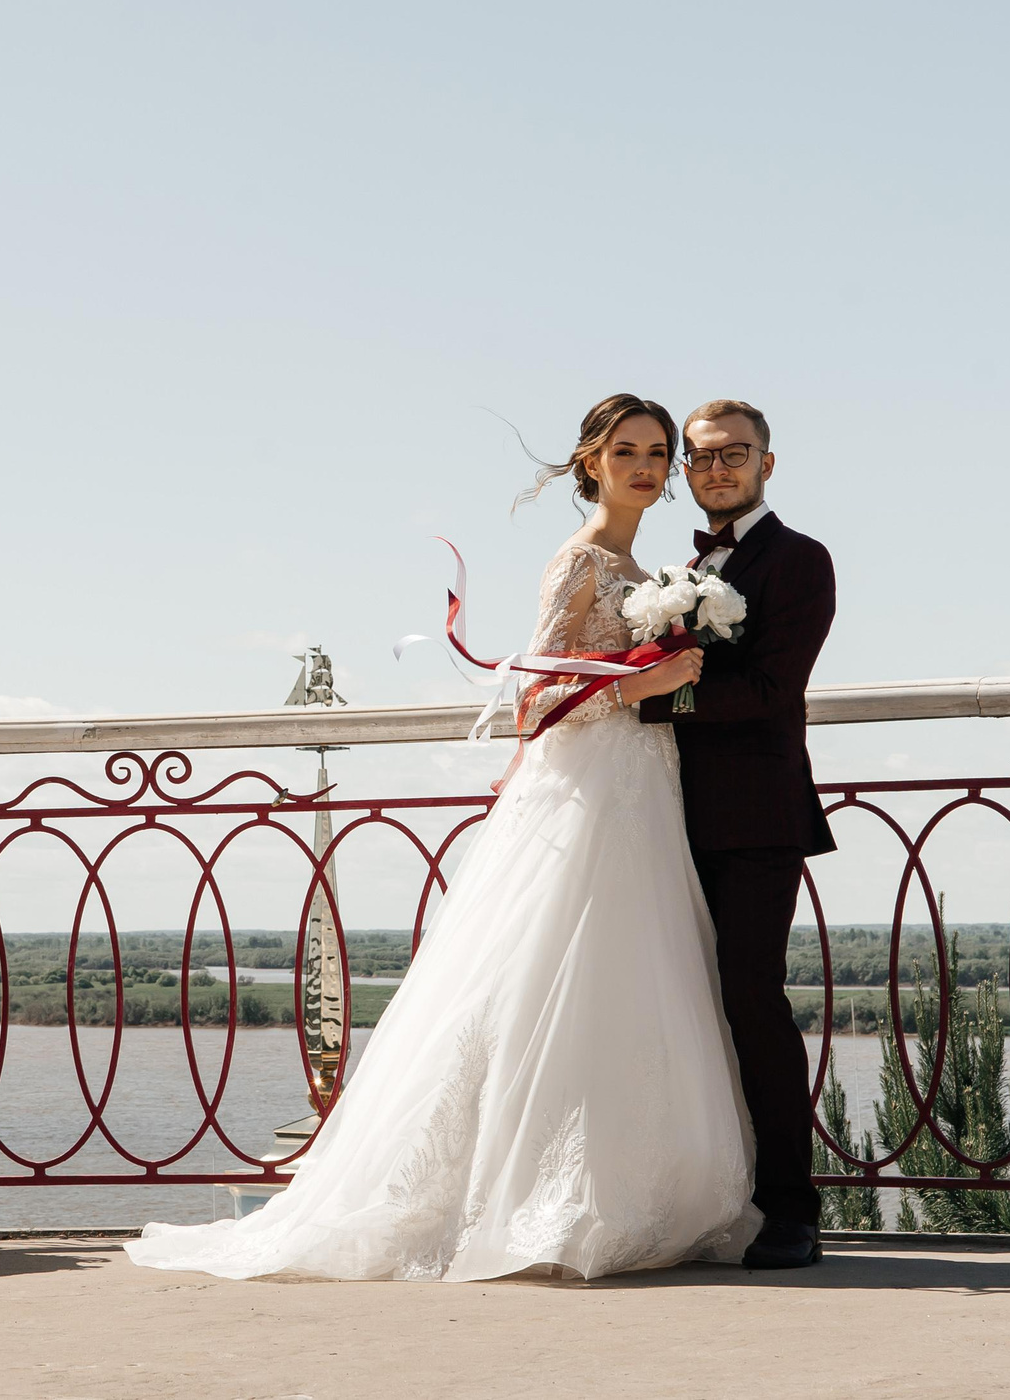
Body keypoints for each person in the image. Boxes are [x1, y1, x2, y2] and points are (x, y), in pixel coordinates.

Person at [124, 394, 760, 1283]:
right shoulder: (579, 563)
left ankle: (634, 1189)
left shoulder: (643, 566)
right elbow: (531, 703)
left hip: (644, 795)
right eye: (628, 451)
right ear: (590, 463)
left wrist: (659, 674)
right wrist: (640, 686)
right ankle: (529, 1196)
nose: (647, 467)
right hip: (585, 801)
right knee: (551, 981)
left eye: (658, 453)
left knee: (629, 982)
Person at [643, 398, 836, 1270]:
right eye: (702, 457)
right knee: (677, 1004)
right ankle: (698, 1193)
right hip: (662, 814)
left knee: (751, 1003)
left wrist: (655, 702)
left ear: (768, 461)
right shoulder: (676, 569)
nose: (717, 468)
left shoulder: (799, 560)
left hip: (756, 820)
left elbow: (769, 692)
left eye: (735, 453)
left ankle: (791, 1206)